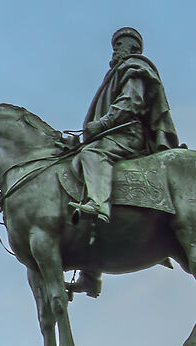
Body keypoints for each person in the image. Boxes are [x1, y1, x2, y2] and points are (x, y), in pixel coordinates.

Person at [75, 28, 179, 226]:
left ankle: (98, 204)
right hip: (115, 132)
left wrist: (101, 124)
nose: (115, 50)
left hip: (128, 133)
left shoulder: (135, 67)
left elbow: (131, 101)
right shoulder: (116, 72)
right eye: (114, 46)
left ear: (133, 48)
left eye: (119, 45)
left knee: (93, 154)